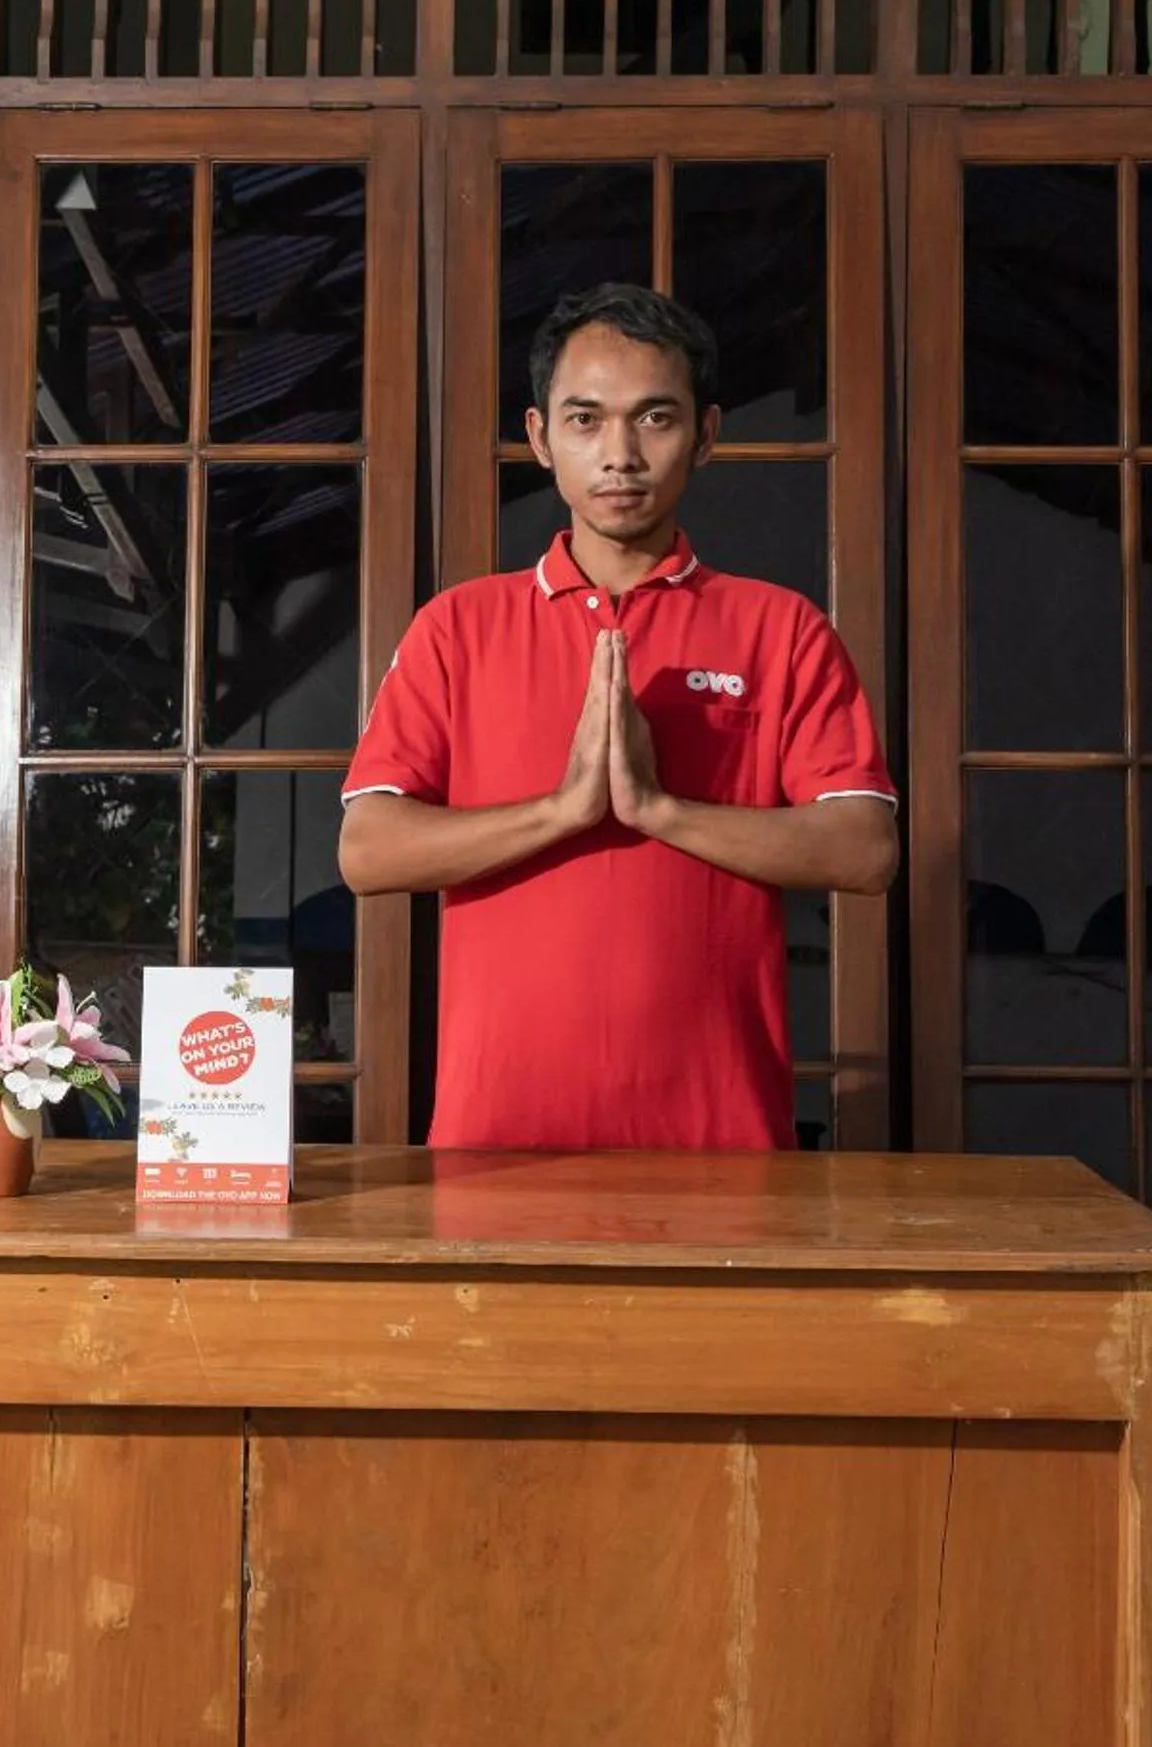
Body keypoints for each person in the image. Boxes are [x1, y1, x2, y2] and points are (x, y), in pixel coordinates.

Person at [339, 284, 897, 1149]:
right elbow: (367, 850)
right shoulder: (457, 626)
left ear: (706, 435)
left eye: (656, 419)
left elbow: (866, 849)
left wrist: (660, 811)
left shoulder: (782, 627)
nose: (621, 455)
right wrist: (564, 809)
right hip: (497, 1144)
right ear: (540, 438)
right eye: (586, 420)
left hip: (726, 1139)